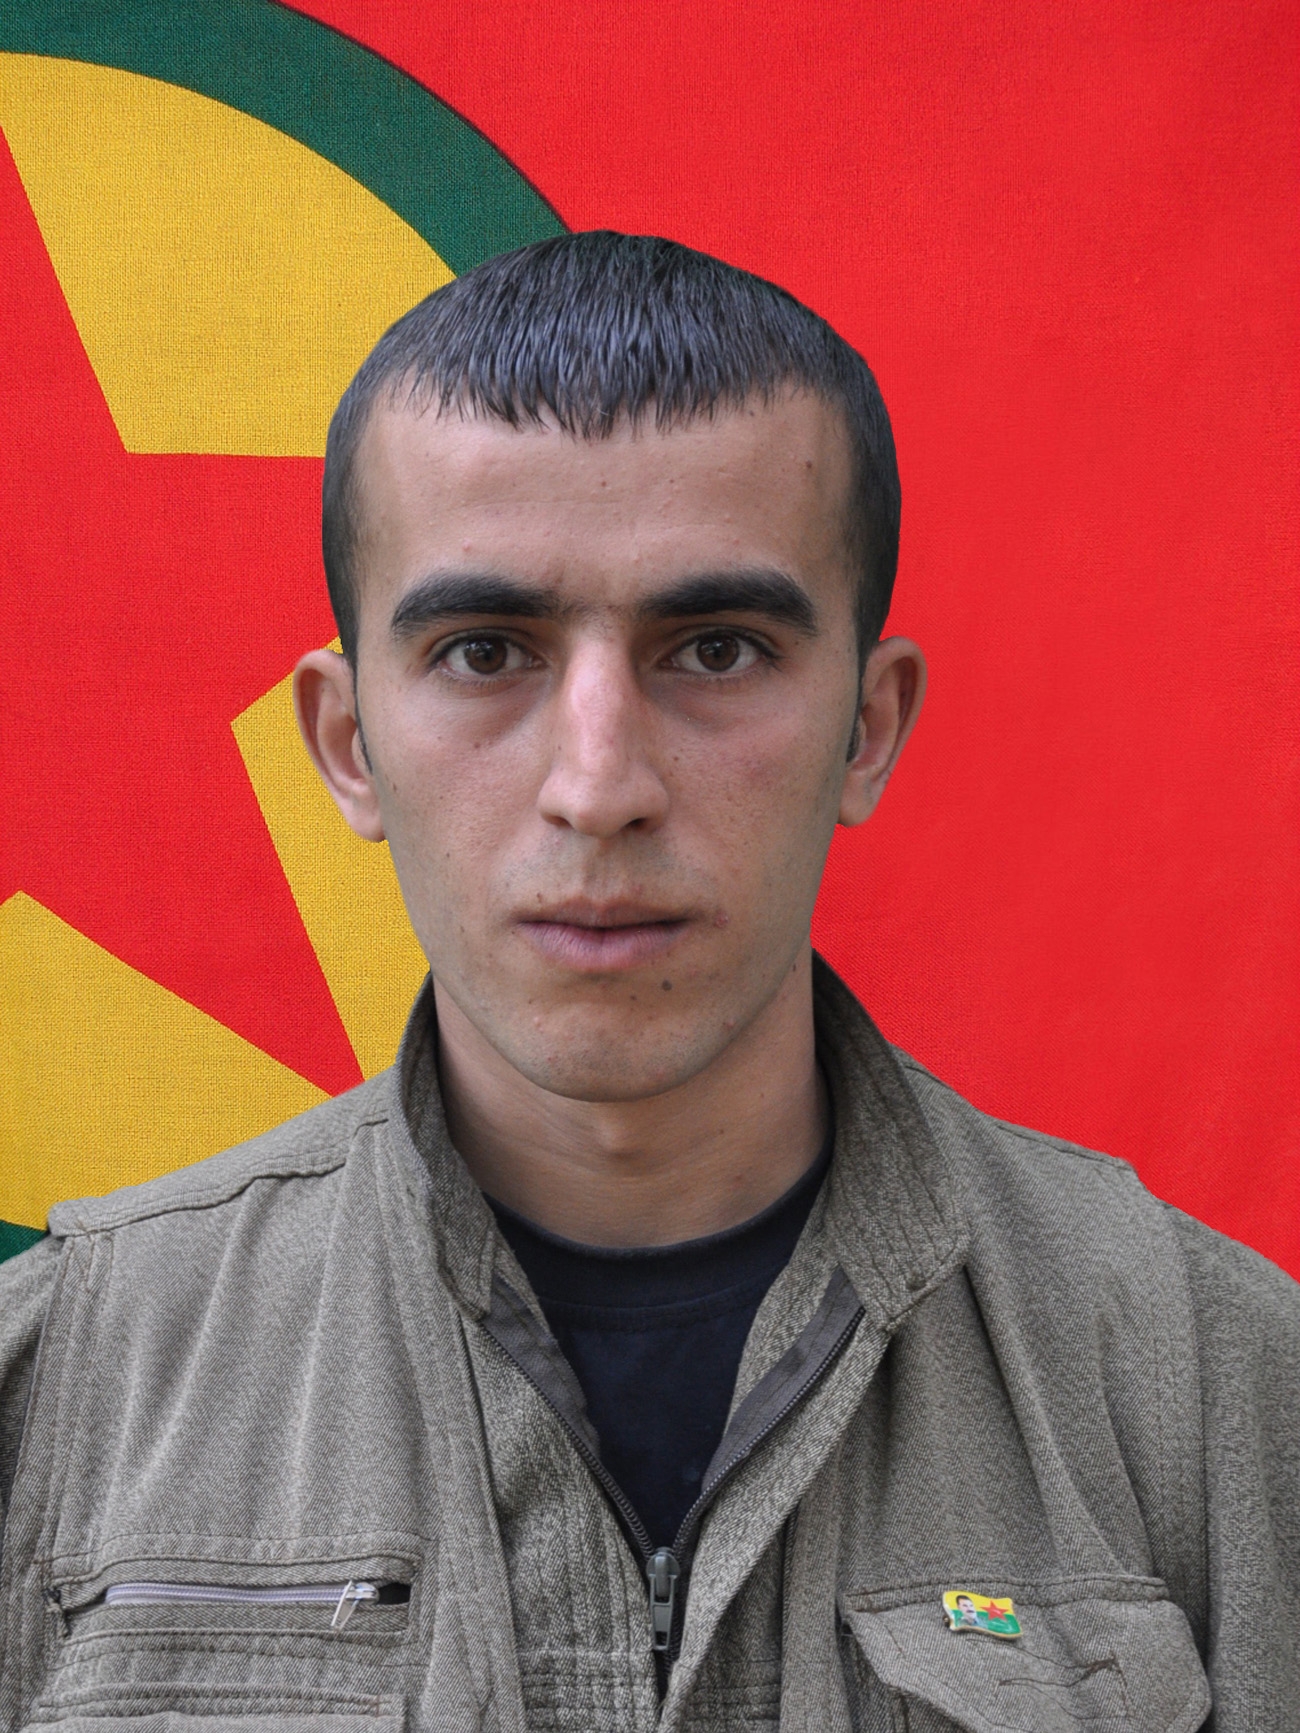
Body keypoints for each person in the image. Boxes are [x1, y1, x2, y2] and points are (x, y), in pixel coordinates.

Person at [1, 232, 1297, 1733]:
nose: (599, 784)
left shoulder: (1213, 1387)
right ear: (349, 746)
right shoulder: (59, 1394)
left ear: (868, 727)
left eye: (718, 649)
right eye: (486, 650)